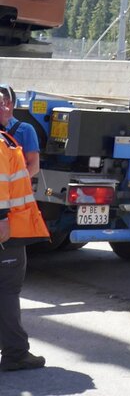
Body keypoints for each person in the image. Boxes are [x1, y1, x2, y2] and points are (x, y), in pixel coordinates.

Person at [0, 84, 48, 372]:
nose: (6, 107)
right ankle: (16, 353)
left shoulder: (12, 136)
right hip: (8, 229)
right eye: (0, 104)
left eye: (7, 102)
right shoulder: (1, 144)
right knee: (7, 289)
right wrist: (2, 217)